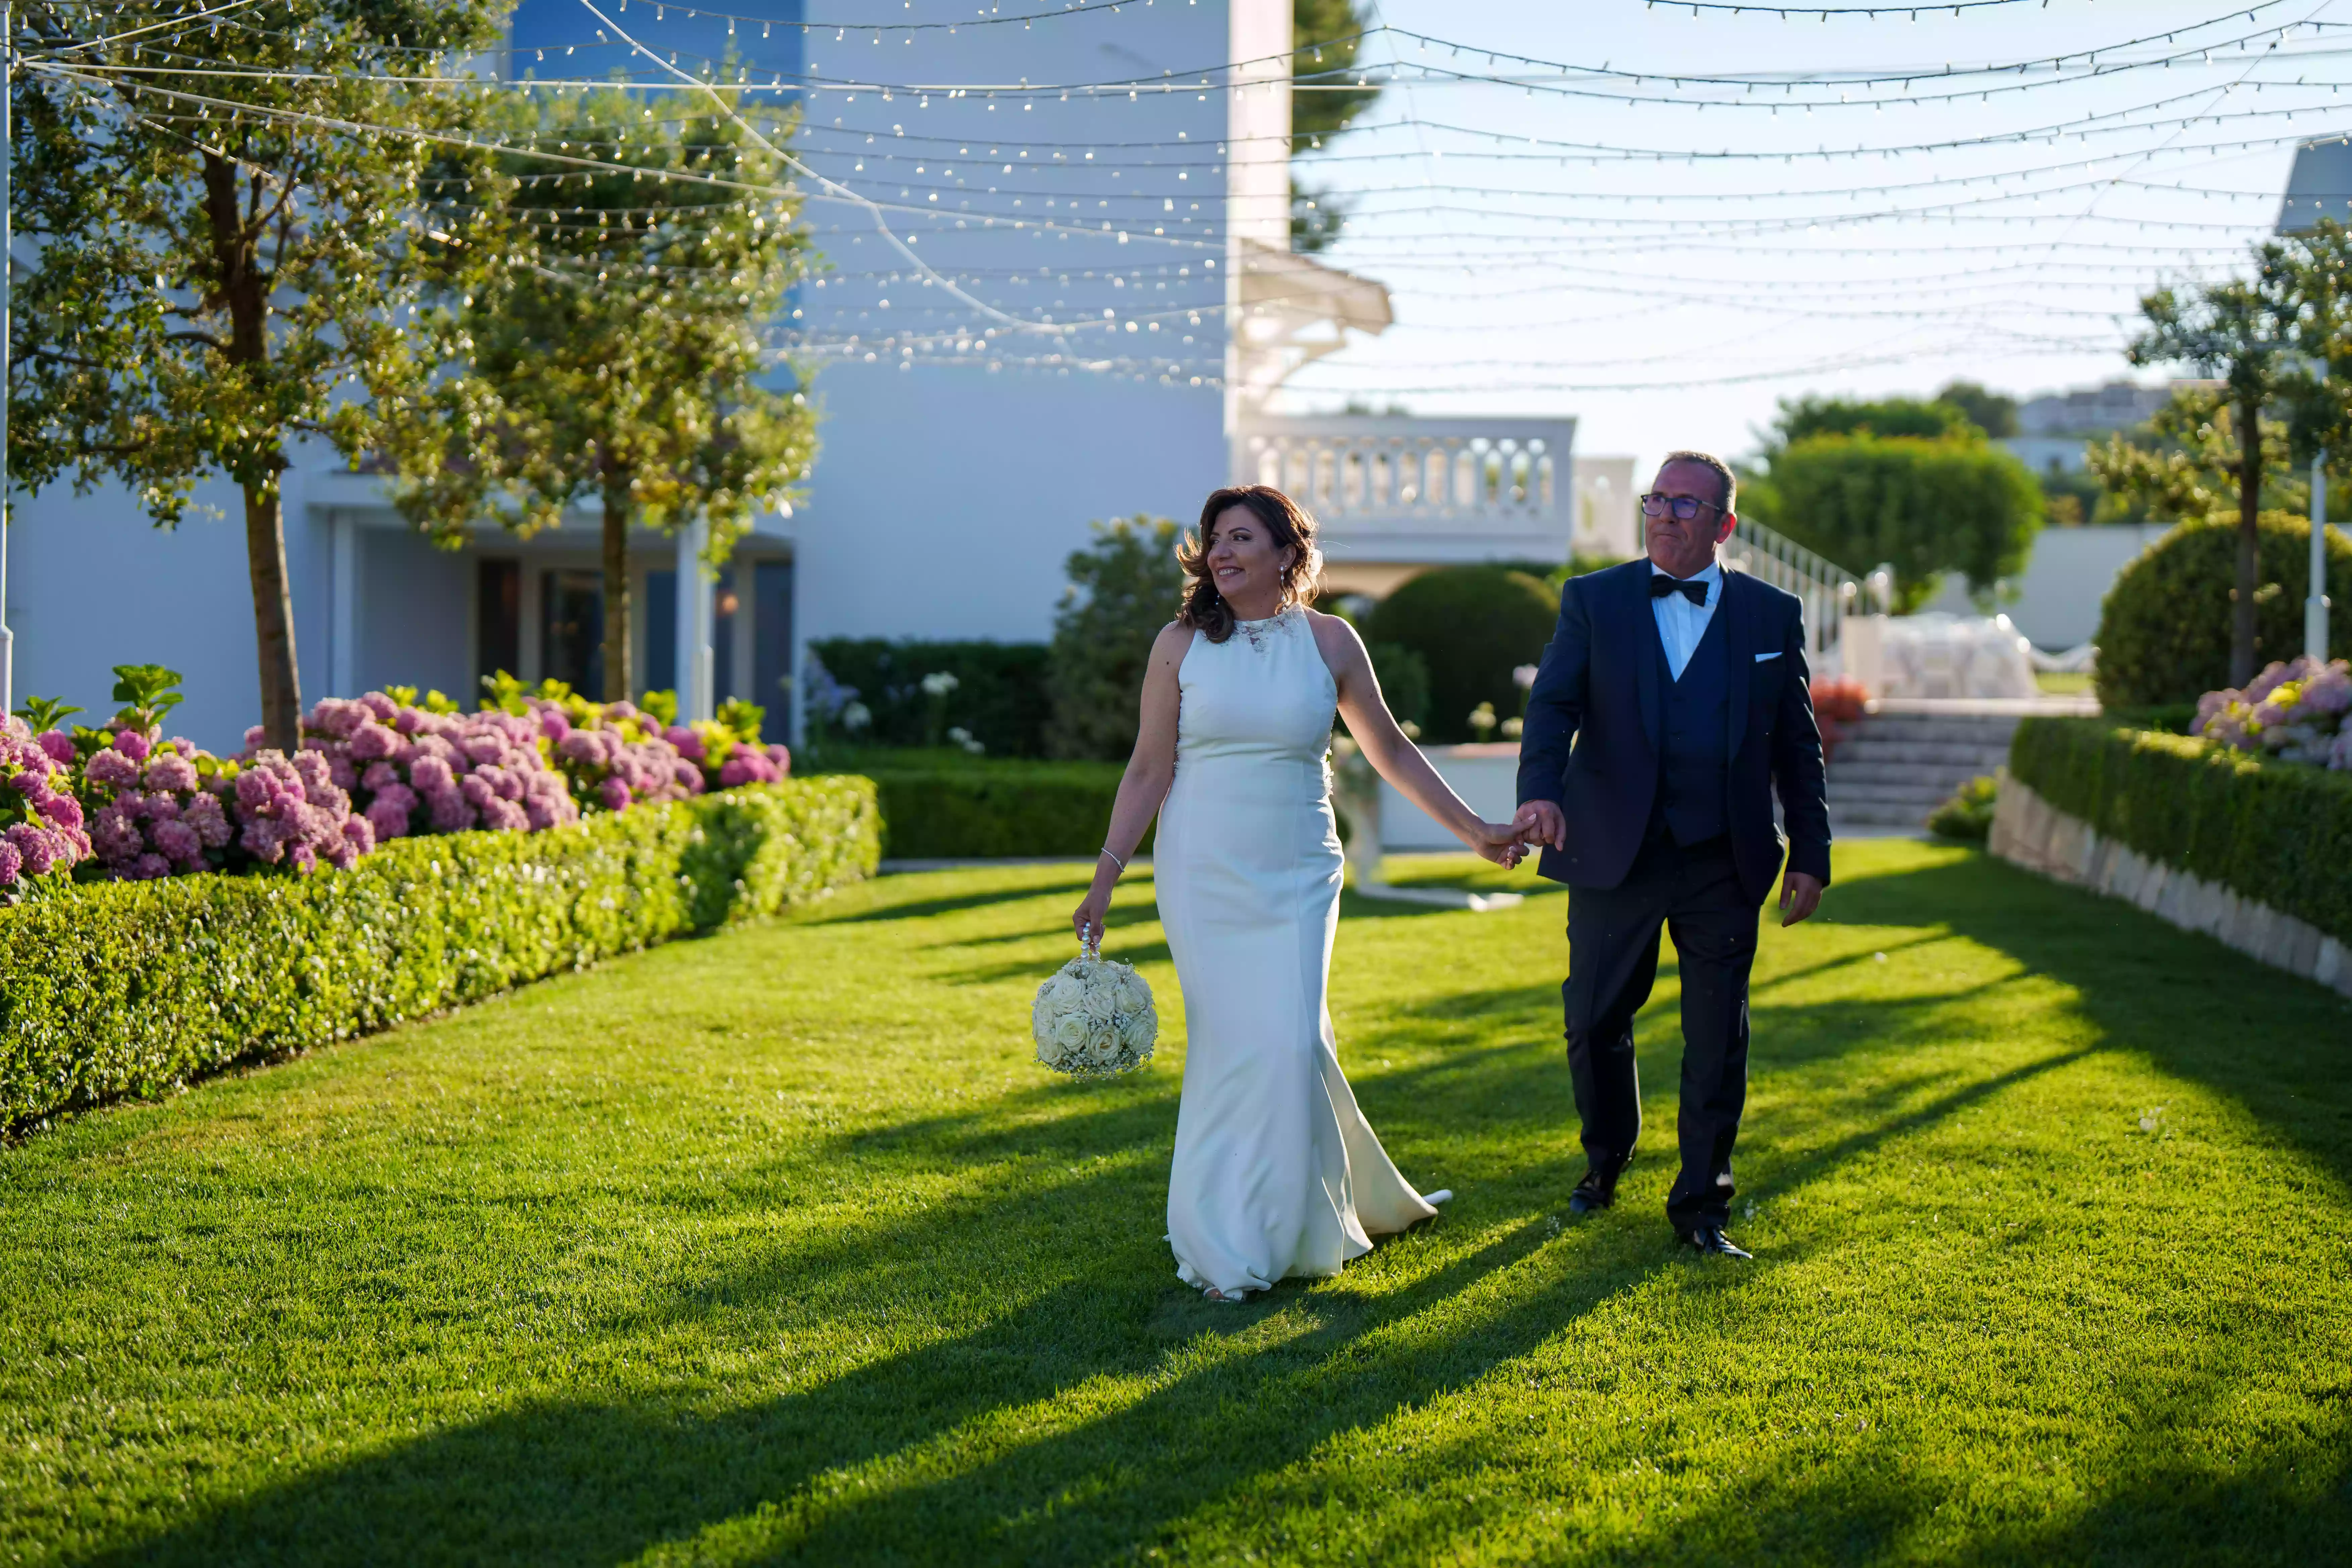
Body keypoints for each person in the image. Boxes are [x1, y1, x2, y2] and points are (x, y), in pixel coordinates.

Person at [1073, 485, 1528, 1303]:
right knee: (1232, 1044)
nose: (1222, 552)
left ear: (1289, 552)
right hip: (1203, 870)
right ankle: (1227, 1240)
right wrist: (1105, 879)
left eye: (1242, 537)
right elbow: (1148, 768)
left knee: (1286, 1039)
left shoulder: (1331, 641)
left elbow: (1389, 750)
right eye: (1215, 539)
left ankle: (1302, 1218)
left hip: (1298, 870)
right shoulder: (1178, 646)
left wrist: (1476, 829)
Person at [1509, 450, 1830, 1260]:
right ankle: (1605, 1156)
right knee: (1593, 1018)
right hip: (1615, 848)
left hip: (1724, 857)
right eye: (1656, 499)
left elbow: (1799, 742)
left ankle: (1701, 1207)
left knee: (1718, 1034)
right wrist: (1540, 793)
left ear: (1724, 525)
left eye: (1686, 505)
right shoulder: (1594, 599)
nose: (1664, 514)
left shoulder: (1771, 613)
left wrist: (1812, 852)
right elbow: (1552, 707)